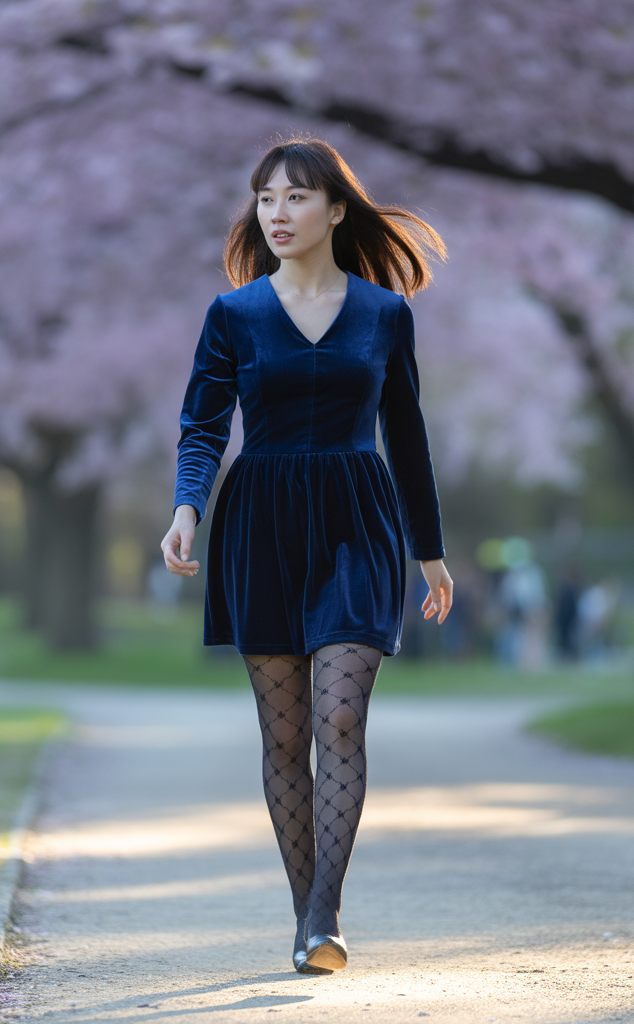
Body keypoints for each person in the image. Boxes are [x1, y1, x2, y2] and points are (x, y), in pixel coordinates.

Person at [161, 138, 453, 975]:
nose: (277, 214)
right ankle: (307, 921)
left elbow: (408, 434)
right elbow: (203, 424)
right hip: (261, 524)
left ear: (335, 210)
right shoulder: (234, 315)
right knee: (285, 738)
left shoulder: (385, 315)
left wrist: (429, 552)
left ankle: (325, 911)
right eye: (265, 199)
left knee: (341, 718)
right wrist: (187, 508)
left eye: (295, 198)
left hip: (360, 522)